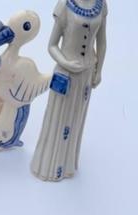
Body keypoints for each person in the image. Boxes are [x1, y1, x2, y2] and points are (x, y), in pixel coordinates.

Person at [31, 0, 108, 182]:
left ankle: (67, 164)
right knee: (58, 117)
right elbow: (52, 45)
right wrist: (65, 63)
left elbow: (102, 42)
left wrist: (98, 71)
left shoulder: (101, 5)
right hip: (65, 73)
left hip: (86, 74)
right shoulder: (65, 5)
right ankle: (48, 165)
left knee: (76, 118)